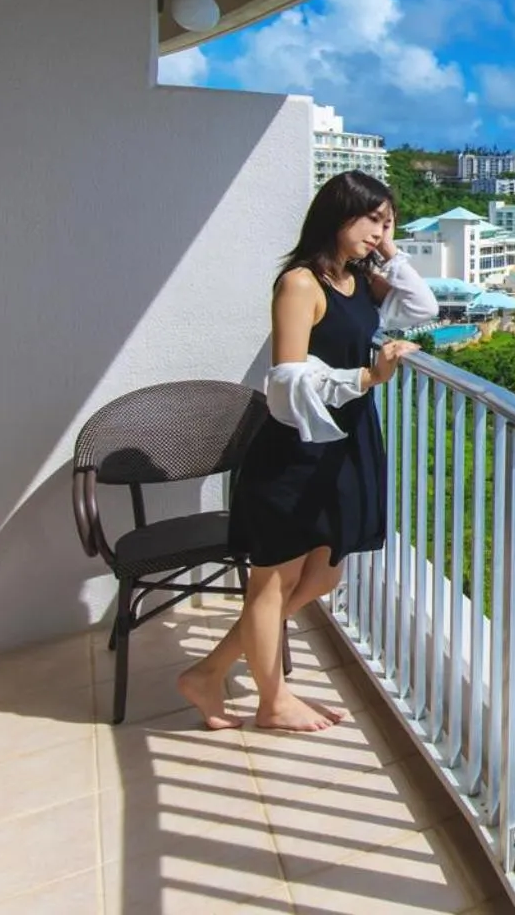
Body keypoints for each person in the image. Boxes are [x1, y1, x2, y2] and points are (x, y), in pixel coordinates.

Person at [177, 172, 437, 731]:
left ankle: (211, 670)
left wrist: (390, 251)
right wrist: (368, 376)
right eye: (373, 219)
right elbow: (286, 381)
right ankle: (272, 703)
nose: (381, 232)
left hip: (344, 445)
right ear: (337, 216)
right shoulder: (301, 283)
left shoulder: (357, 281)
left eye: (388, 222)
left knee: (322, 577)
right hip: (297, 447)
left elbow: (422, 306)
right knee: (272, 582)